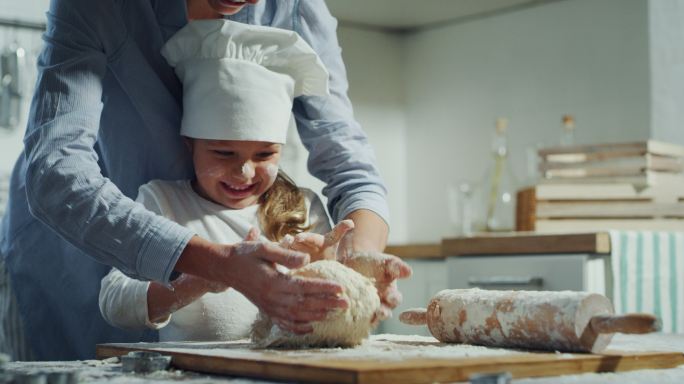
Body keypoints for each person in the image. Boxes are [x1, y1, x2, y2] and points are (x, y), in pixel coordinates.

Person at [0, 0, 411, 361]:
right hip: (73, 250)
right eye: (223, 153)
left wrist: (357, 261)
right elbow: (57, 174)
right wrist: (214, 270)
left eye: (264, 153)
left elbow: (350, 166)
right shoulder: (104, 6)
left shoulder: (295, 6)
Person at [99, 19, 355, 341]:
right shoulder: (164, 203)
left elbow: (336, 314)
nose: (245, 172)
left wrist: (325, 266)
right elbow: (113, 301)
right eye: (223, 153)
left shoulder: (302, 208)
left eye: (264, 156)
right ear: (190, 145)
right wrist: (205, 277)